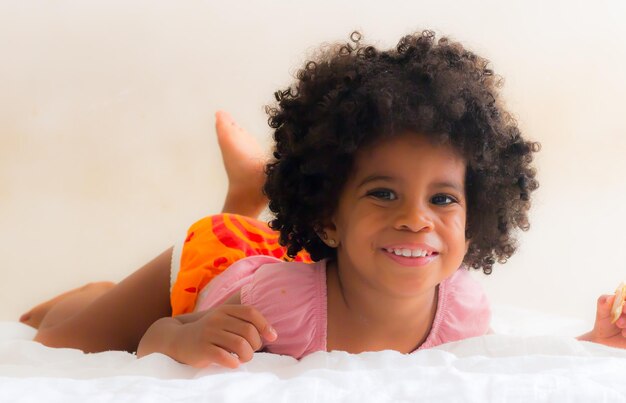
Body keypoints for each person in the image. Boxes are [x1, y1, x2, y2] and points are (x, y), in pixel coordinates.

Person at [20, 30, 626, 369]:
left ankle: (248, 188)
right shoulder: (267, 306)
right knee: (53, 339)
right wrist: (178, 335)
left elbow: (501, 361)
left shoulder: (463, 306)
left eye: (443, 199)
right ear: (327, 217)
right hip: (216, 262)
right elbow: (155, 338)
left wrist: (590, 344)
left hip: (293, 259)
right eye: (383, 192)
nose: (416, 219)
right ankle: (231, 207)